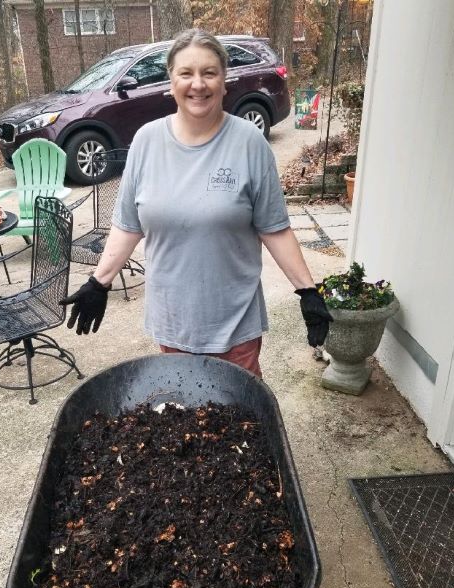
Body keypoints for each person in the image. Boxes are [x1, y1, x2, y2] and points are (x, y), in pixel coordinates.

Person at [61, 29, 332, 378]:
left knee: (238, 419)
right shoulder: (146, 142)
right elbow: (129, 225)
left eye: (209, 72)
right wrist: (99, 282)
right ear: (170, 80)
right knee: (186, 418)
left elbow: (274, 229)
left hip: (235, 321)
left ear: (225, 80)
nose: (198, 84)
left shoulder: (249, 143)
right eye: (186, 73)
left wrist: (308, 291)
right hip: (173, 320)